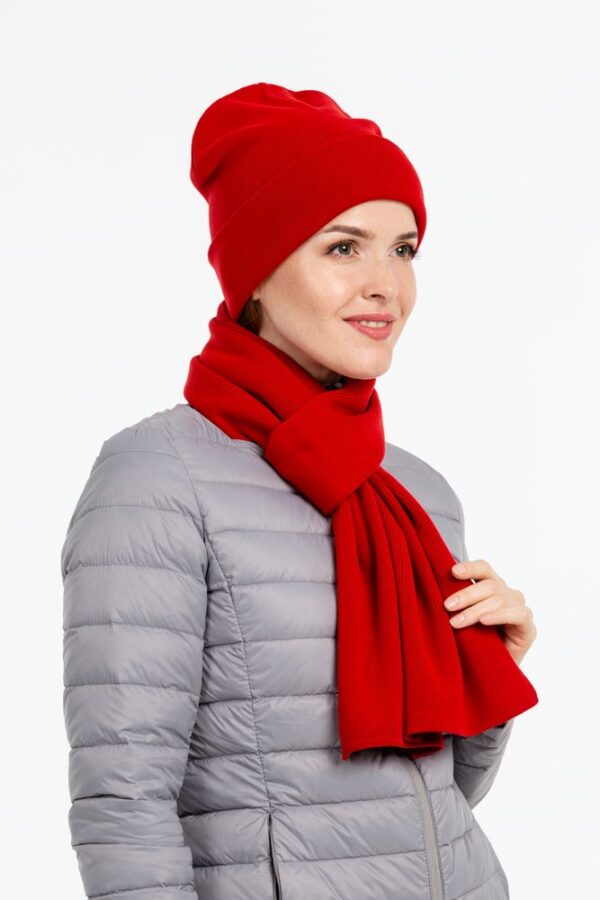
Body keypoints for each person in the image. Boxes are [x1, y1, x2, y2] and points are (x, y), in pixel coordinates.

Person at [61, 82, 538, 900]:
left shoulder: (415, 493)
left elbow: (436, 797)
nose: (386, 284)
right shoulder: (157, 481)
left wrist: (489, 675)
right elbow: (124, 806)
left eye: (404, 249)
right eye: (344, 248)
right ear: (257, 267)